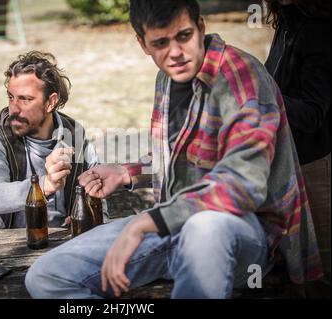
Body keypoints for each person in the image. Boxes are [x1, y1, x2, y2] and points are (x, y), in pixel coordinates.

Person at [25, 0, 323, 299]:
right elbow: (184, 160)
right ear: (143, 44)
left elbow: (242, 184)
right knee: (46, 276)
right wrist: (127, 172)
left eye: (184, 36)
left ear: (201, 27)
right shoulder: (166, 79)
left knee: (205, 227)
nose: (176, 53)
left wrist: (145, 222)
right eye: (161, 42)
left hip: (241, 235)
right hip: (172, 225)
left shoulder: (242, 76)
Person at [0, 51, 107, 230]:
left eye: (25, 99)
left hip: (63, 246)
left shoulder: (76, 139)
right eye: (11, 97)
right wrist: (46, 184)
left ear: (51, 102)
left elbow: (98, 198)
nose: (14, 108)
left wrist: (89, 215)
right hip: (4, 248)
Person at [264, 0, 331, 293]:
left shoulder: (320, 28)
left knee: (324, 273)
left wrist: (263, 96)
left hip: (316, 165)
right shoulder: (288, 19)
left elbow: (314, 114)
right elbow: (272, 80)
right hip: (288, 163)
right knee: (298, 271)